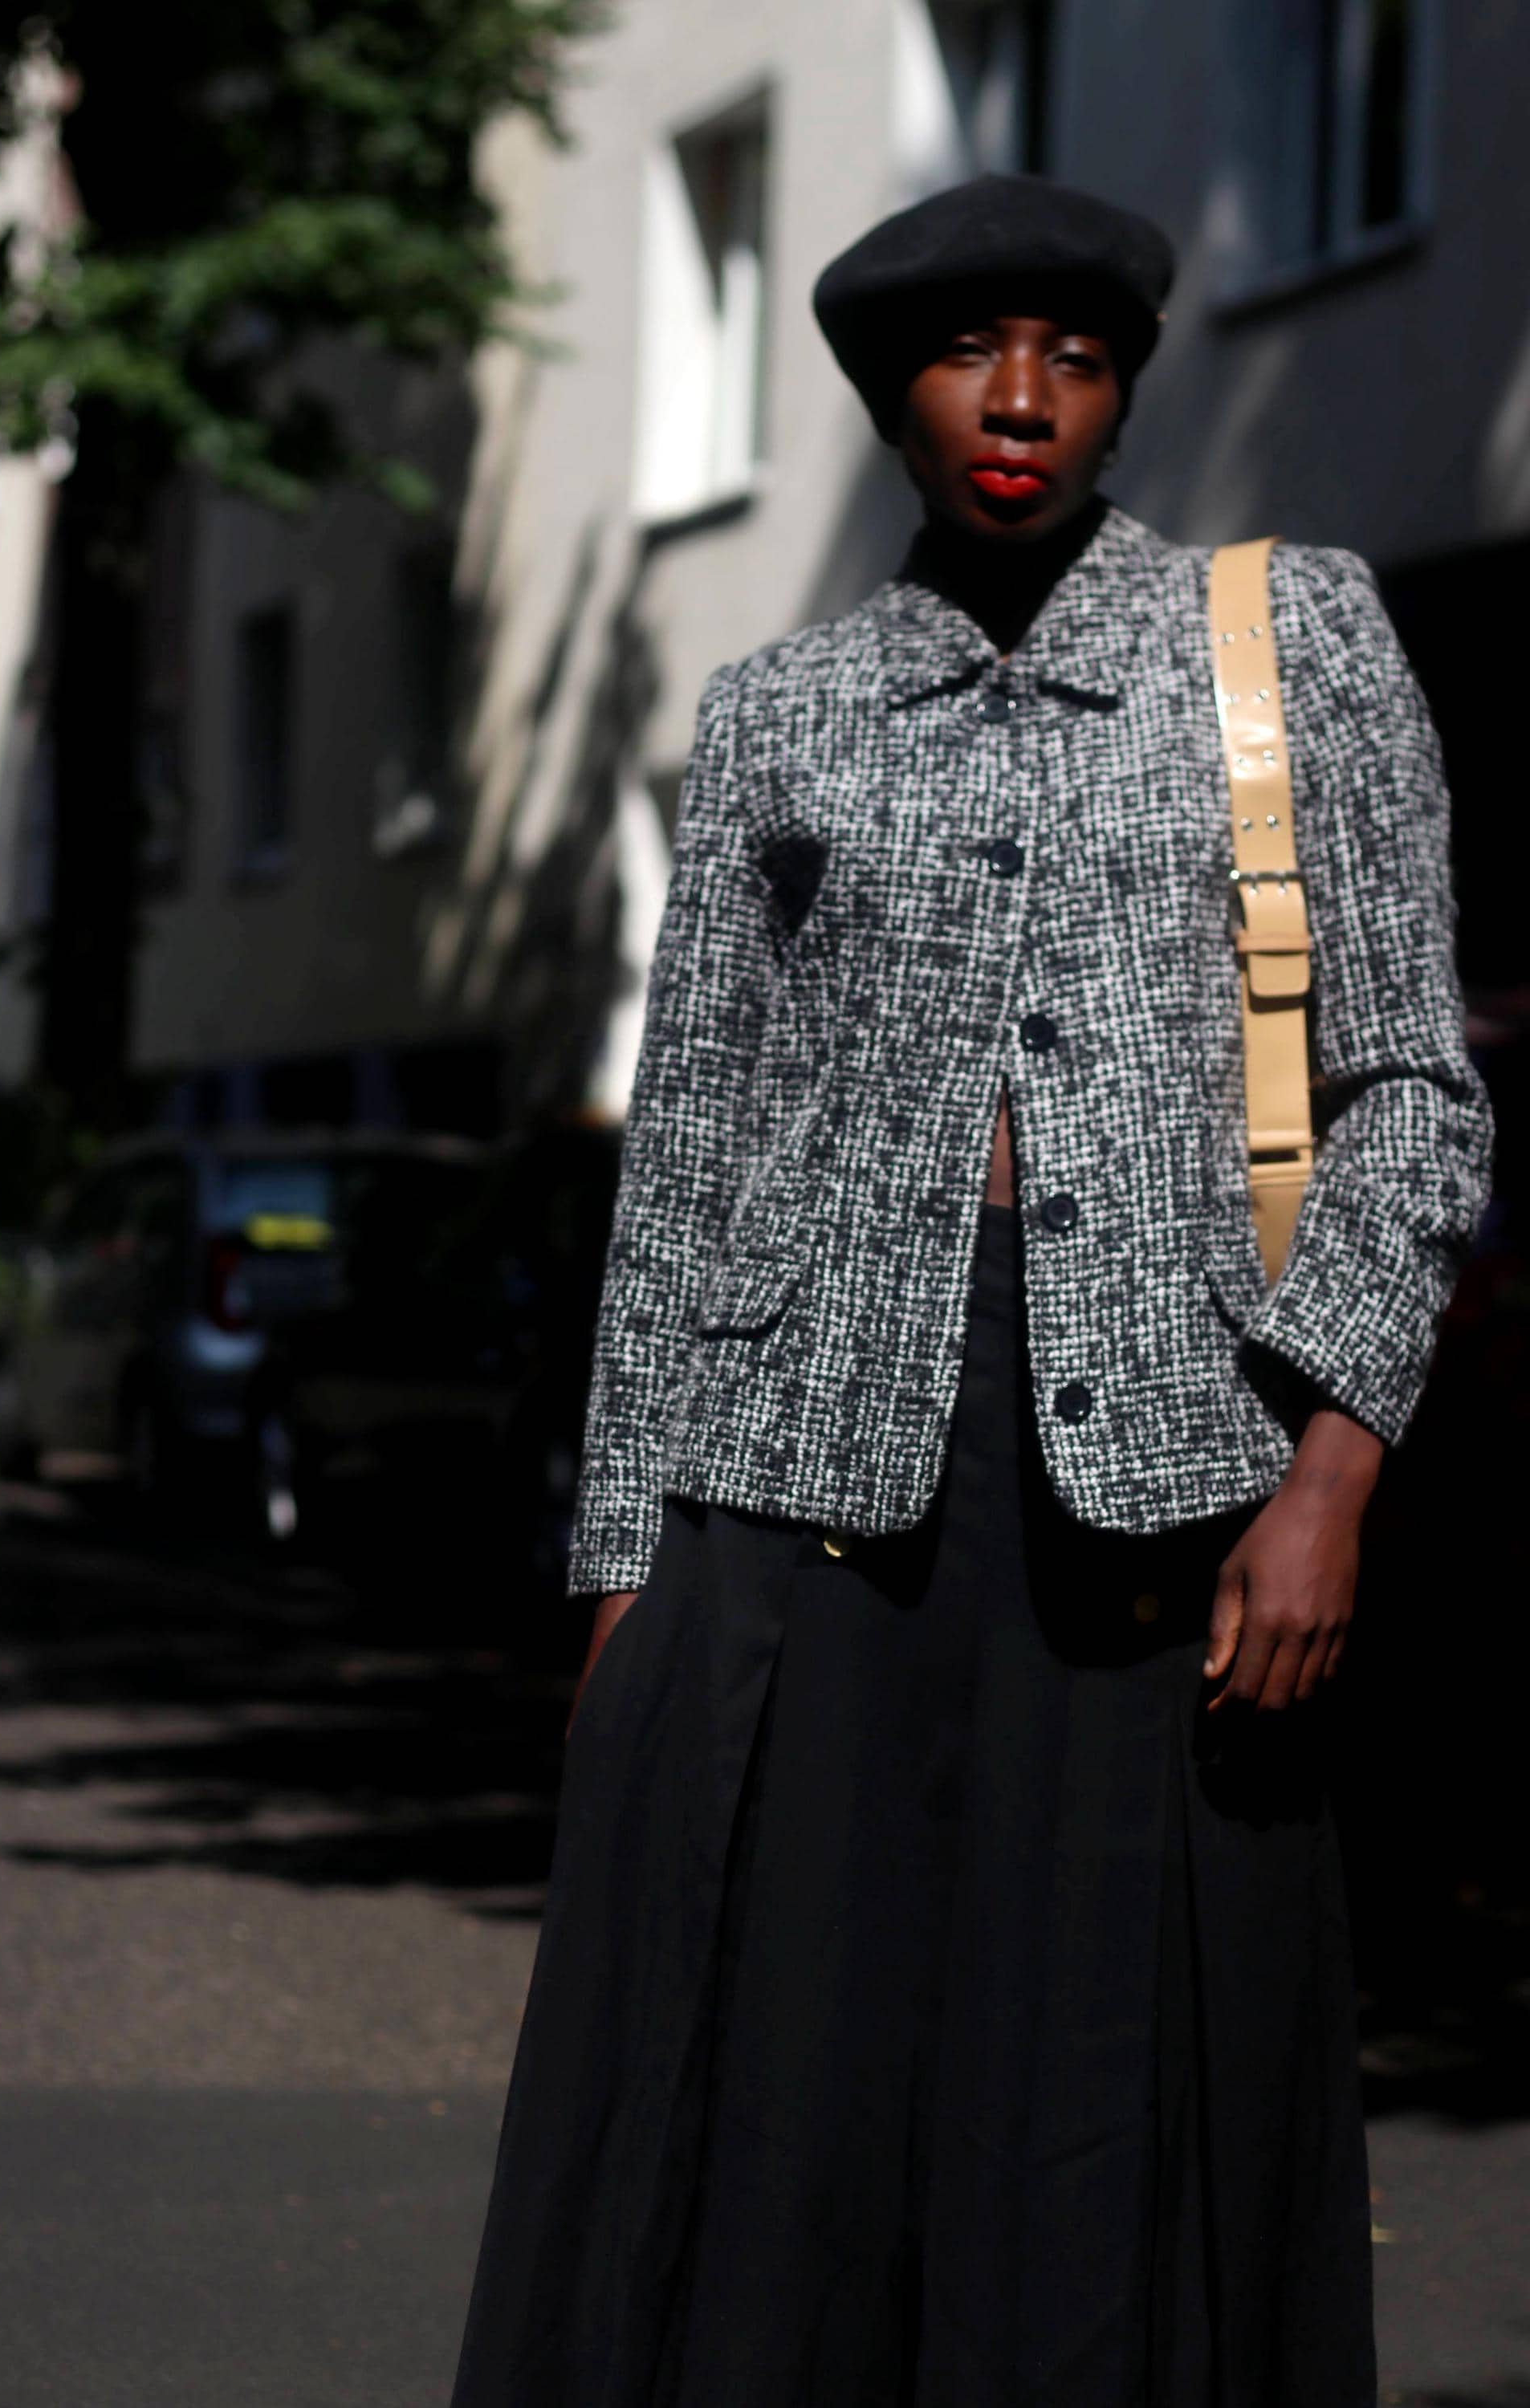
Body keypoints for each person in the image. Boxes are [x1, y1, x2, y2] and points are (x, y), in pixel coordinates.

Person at [450, 173, 1493, 2408]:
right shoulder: (776, 711)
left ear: (1123, 387)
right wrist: (621, 1574)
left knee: (1107, 2127)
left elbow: (1413, 1085)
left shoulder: (1287, 642)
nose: (1023, 400)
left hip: (1166, 1507)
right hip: (798, 1517)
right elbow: (694, 1156)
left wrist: (1336, 1474)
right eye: (965, 354)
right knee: (786, 2147)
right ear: (886, 392)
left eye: (1079, 355)